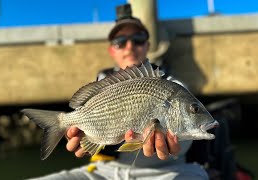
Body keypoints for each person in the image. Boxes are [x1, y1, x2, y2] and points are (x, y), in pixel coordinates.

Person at [30, 4, 208, 180]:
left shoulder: (172, 84)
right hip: (106, 172)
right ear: (111, 50)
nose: (129, 46)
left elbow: (187, 135)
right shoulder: (102, 83)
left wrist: (176, 145)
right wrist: (88, 138)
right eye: (120, 42)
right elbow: (90, 137)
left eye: (137, 39)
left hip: (167, 171)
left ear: (147, 45)